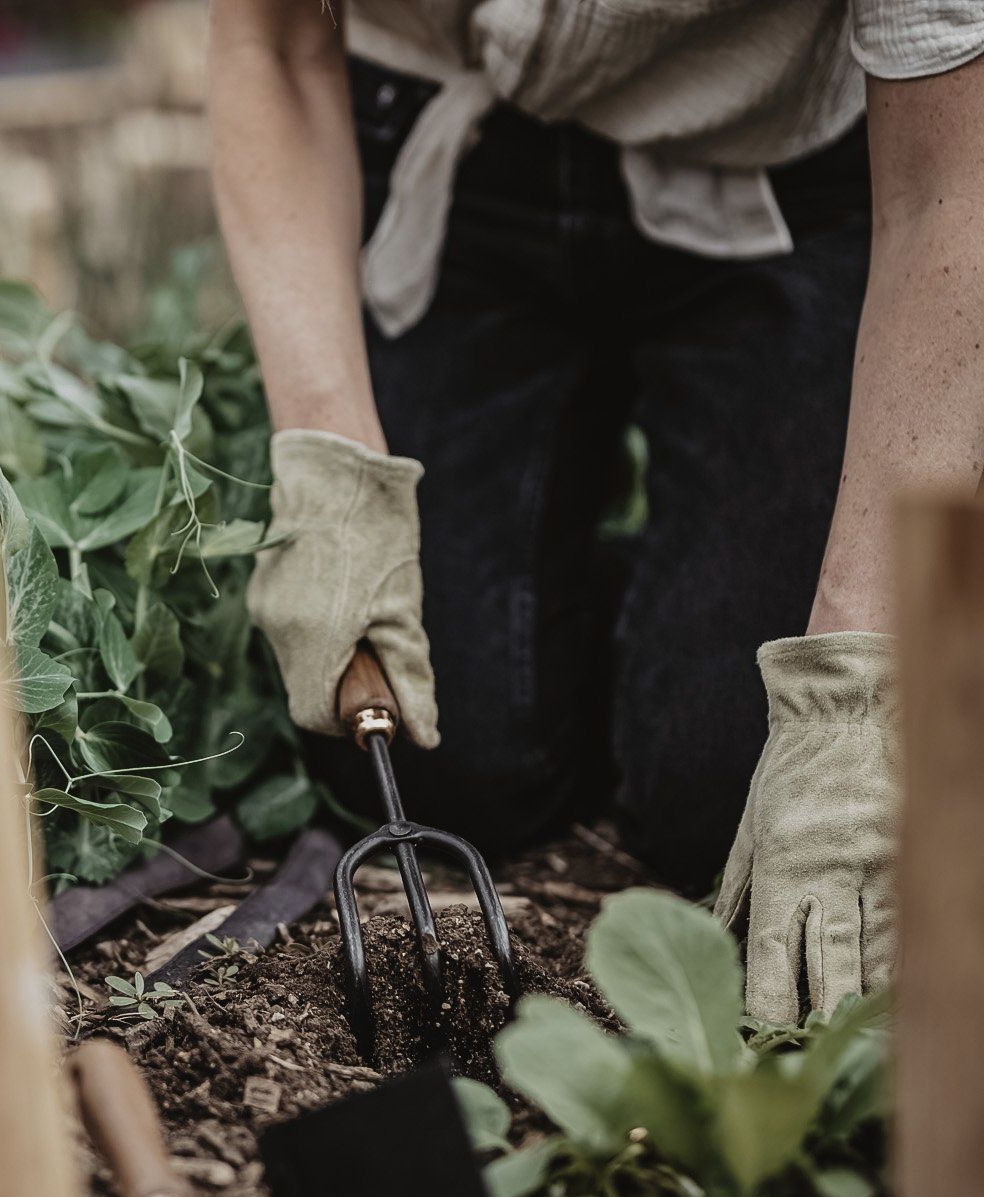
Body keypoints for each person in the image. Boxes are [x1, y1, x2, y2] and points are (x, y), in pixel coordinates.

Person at [208, 0, 984, 1022]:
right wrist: (331, 461)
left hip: (788, 162)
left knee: (722, 792)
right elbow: (266, 38)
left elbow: (948, 189)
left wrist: (854, 684)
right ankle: (652, 589)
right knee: (433, 755)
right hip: (462, 133)